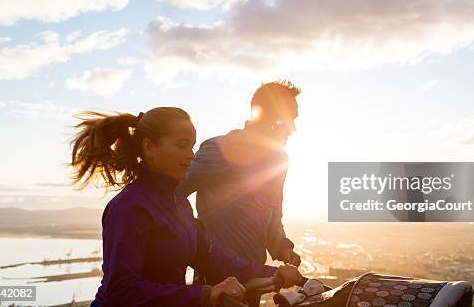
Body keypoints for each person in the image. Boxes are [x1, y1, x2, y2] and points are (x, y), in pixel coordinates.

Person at [70, 107, 302, 306]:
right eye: (182, 146)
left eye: (191, 146)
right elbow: (121, 290)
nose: (191, 156)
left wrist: (273, 272)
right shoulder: (129, 208)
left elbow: (212, 260)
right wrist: (204, 295)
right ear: (149, 148)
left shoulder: (180, 206)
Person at [176, 80, 302, 276]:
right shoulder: (221, 150)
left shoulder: (279, 160)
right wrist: (193, 234)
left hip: (253, 281)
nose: (293, 128)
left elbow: (273, 218)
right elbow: (169, 191)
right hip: (216, 284)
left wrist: (283, 248)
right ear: (271, 119)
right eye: (289, 119)